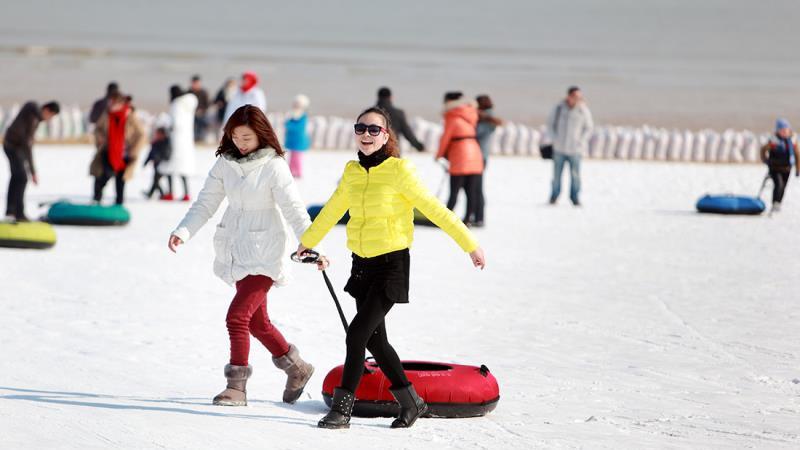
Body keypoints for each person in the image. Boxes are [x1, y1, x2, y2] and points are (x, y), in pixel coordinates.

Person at [296, 107, 486, 429]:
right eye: (361, 128)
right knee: (375, 342)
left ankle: (342, 410)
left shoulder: (400, 171)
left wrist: (470, 244)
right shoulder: (352, 172)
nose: (366, 135)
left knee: (356, 335)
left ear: (385, 136)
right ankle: (412, 402)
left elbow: (435, 209)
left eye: (374, 130)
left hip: (391, 265)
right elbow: (331, 211)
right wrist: (307, 242)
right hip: (361, 265)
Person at [168, 105, 321, 407]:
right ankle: (298, 368)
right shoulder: (225, 163)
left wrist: (312, 244)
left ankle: (236, 387)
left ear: (261, 135)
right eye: (235, 137)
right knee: (257, 322)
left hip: (266, 249)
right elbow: (205, 203)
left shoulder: (273, 165)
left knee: (237, 317)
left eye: (247, 138)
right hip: (236, 247)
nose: (240, 143)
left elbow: (293, 208)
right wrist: (183, 231)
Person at [3, 101, 59, 221]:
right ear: (47, 110)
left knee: (17, 177)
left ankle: (11, 211)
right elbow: (27, 145)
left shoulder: (35, 118)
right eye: (51, 116)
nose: (49, 120)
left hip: (15, 147)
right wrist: (33, 172)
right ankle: (18, 213)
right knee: (22, 177)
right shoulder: (32, 116)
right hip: (12, 146)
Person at [436, 91, 484, 226]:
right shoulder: (470, 114)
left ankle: (446, 219)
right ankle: (468, 219)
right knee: (471, 191)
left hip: (460, 154)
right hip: (475, 153)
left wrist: (438, 155)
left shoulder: (452, 116)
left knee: (454, 190)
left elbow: (445, 138)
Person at [90, 93, 146, 205]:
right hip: (108, 151)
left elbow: (141, 134)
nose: (111, 105)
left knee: (120, 180)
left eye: (114, 103)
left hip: (125, 154)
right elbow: (98, 129)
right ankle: (97, 199)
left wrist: (134, 150)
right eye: (110, 102)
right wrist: (100, 139)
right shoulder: (107, 114)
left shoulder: (130, 115)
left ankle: (119, 203)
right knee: (102, 176)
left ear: (120, 103)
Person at [547, 86, 594, 206]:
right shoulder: (558, 108)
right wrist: (555, 139)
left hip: (575, 150)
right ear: (569, 96)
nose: (578, 99)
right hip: (559, 149)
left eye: (579, 97)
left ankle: (575, 198)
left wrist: (581, 142)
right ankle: (554, 196)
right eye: (575, 96)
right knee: (556, 176)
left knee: (575, 175)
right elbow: (550, 125)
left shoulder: (583, 110)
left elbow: (588, 128)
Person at [161, 85, 197, 201]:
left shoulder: (176, 104)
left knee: (169, 167)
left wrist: (166, 128)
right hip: (186, 141)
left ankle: (170, 193)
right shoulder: (188, 104)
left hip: (175, 141)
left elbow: (175, 124)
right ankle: (186, 193)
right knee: (183, 169)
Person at [472, 94, 504, 227]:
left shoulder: (488, 120)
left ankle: (479, 217)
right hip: (479, 156)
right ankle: (476, 215)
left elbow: (476, 133)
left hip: (480, 157)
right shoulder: (486, 119)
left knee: (476, 188)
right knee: (474, 188)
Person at [761, 118, 800, 213]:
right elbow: (763, 150)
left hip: (787, 168)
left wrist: (798, 169)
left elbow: (797, 155)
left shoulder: (793, 142)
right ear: (778, 131)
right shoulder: (773, 142)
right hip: (775, 168)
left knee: (783, 187)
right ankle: (775, 203)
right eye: (782, 130)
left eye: (786, 130)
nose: (784, 132)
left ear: (789, 130)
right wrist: (765, 160)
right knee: (778, 184)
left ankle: (778, 203)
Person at [375, 87, 425, 153]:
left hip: (375, 150)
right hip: (393, 149)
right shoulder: (398, 113)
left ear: (378, 97)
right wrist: (418, 146)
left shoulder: (371, 113)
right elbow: (407, 133)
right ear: (391, 97)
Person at [284, 94, 311, 178]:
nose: (296, 106)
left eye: (298, 105)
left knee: (297, 158)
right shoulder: (292, 115)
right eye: (295, 104)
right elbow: (287, 124)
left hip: (299, 142)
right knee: (292, 157)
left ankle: (298, 172)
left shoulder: (303, 117)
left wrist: (289, 125)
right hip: (292, 141)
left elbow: (298, 127)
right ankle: (291, 171)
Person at [143, 127, 172, 199]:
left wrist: (158, 158)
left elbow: (166, 154)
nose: (156, 135)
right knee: (155, 181)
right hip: (156, 165)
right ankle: (155, 194)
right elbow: (150, 153)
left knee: (156, 181)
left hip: (163, 165)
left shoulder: (166, 142)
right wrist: (146, 162)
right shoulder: (155, 143)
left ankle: (160, 194)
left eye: (158, 134)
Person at [189, 75, 210, 143]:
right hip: (191, 113)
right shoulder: (189, 92)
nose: (195, 85)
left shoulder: (203, 92)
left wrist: (201, 110)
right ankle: (194, 138)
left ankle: (200, 138)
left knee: (200, 120)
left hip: (202, 113)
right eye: (194, 83)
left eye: (197, 83)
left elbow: (207, 104)